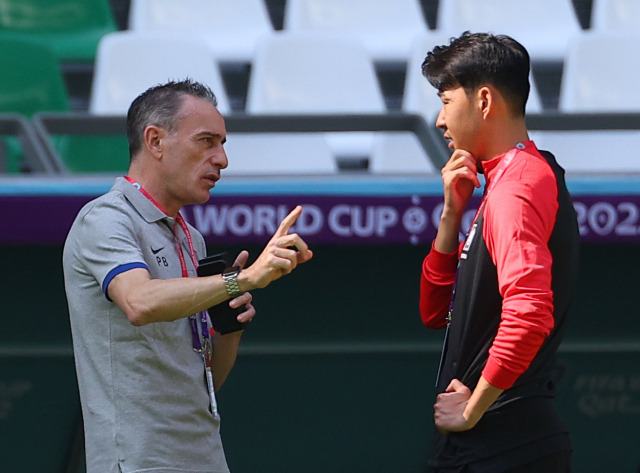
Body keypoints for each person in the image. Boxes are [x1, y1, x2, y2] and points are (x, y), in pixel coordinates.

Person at [62, 79, 313, 473]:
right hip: (138, 462)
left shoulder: (190, 237)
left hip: (205, 458)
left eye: (223, 143)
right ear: (155, 141)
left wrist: (229, 324)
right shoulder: (105, 218)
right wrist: (241, 280)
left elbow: (205, 381)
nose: (222, 160)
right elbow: (139, 302)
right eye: (207, 141)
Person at [418, 32, 580, 473]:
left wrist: (474, 409)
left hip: (502, 448)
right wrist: (452, 215)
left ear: (484, 101)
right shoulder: (510, 180)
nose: (438, 120)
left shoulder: (517, 187)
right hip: (497, 446)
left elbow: (530, 314)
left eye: (446, 101)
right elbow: (437, 313)